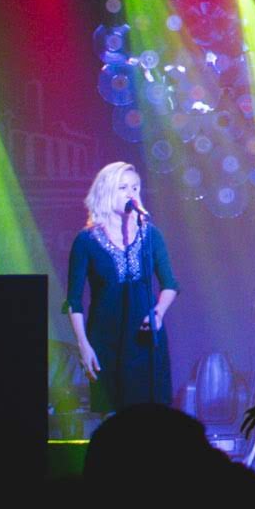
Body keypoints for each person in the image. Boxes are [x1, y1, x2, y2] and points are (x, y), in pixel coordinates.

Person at [64, 161, 177, 415]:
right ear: (106, 191)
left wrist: (158, 312)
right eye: (123, 187)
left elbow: (170, 284)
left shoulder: (151, 235)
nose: (131, 194)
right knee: (115, 420)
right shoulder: (86, 241)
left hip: (146, 341)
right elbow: (73, 300)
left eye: (135, 188)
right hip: (106, 341)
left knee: (151, 416)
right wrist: (84, 346)